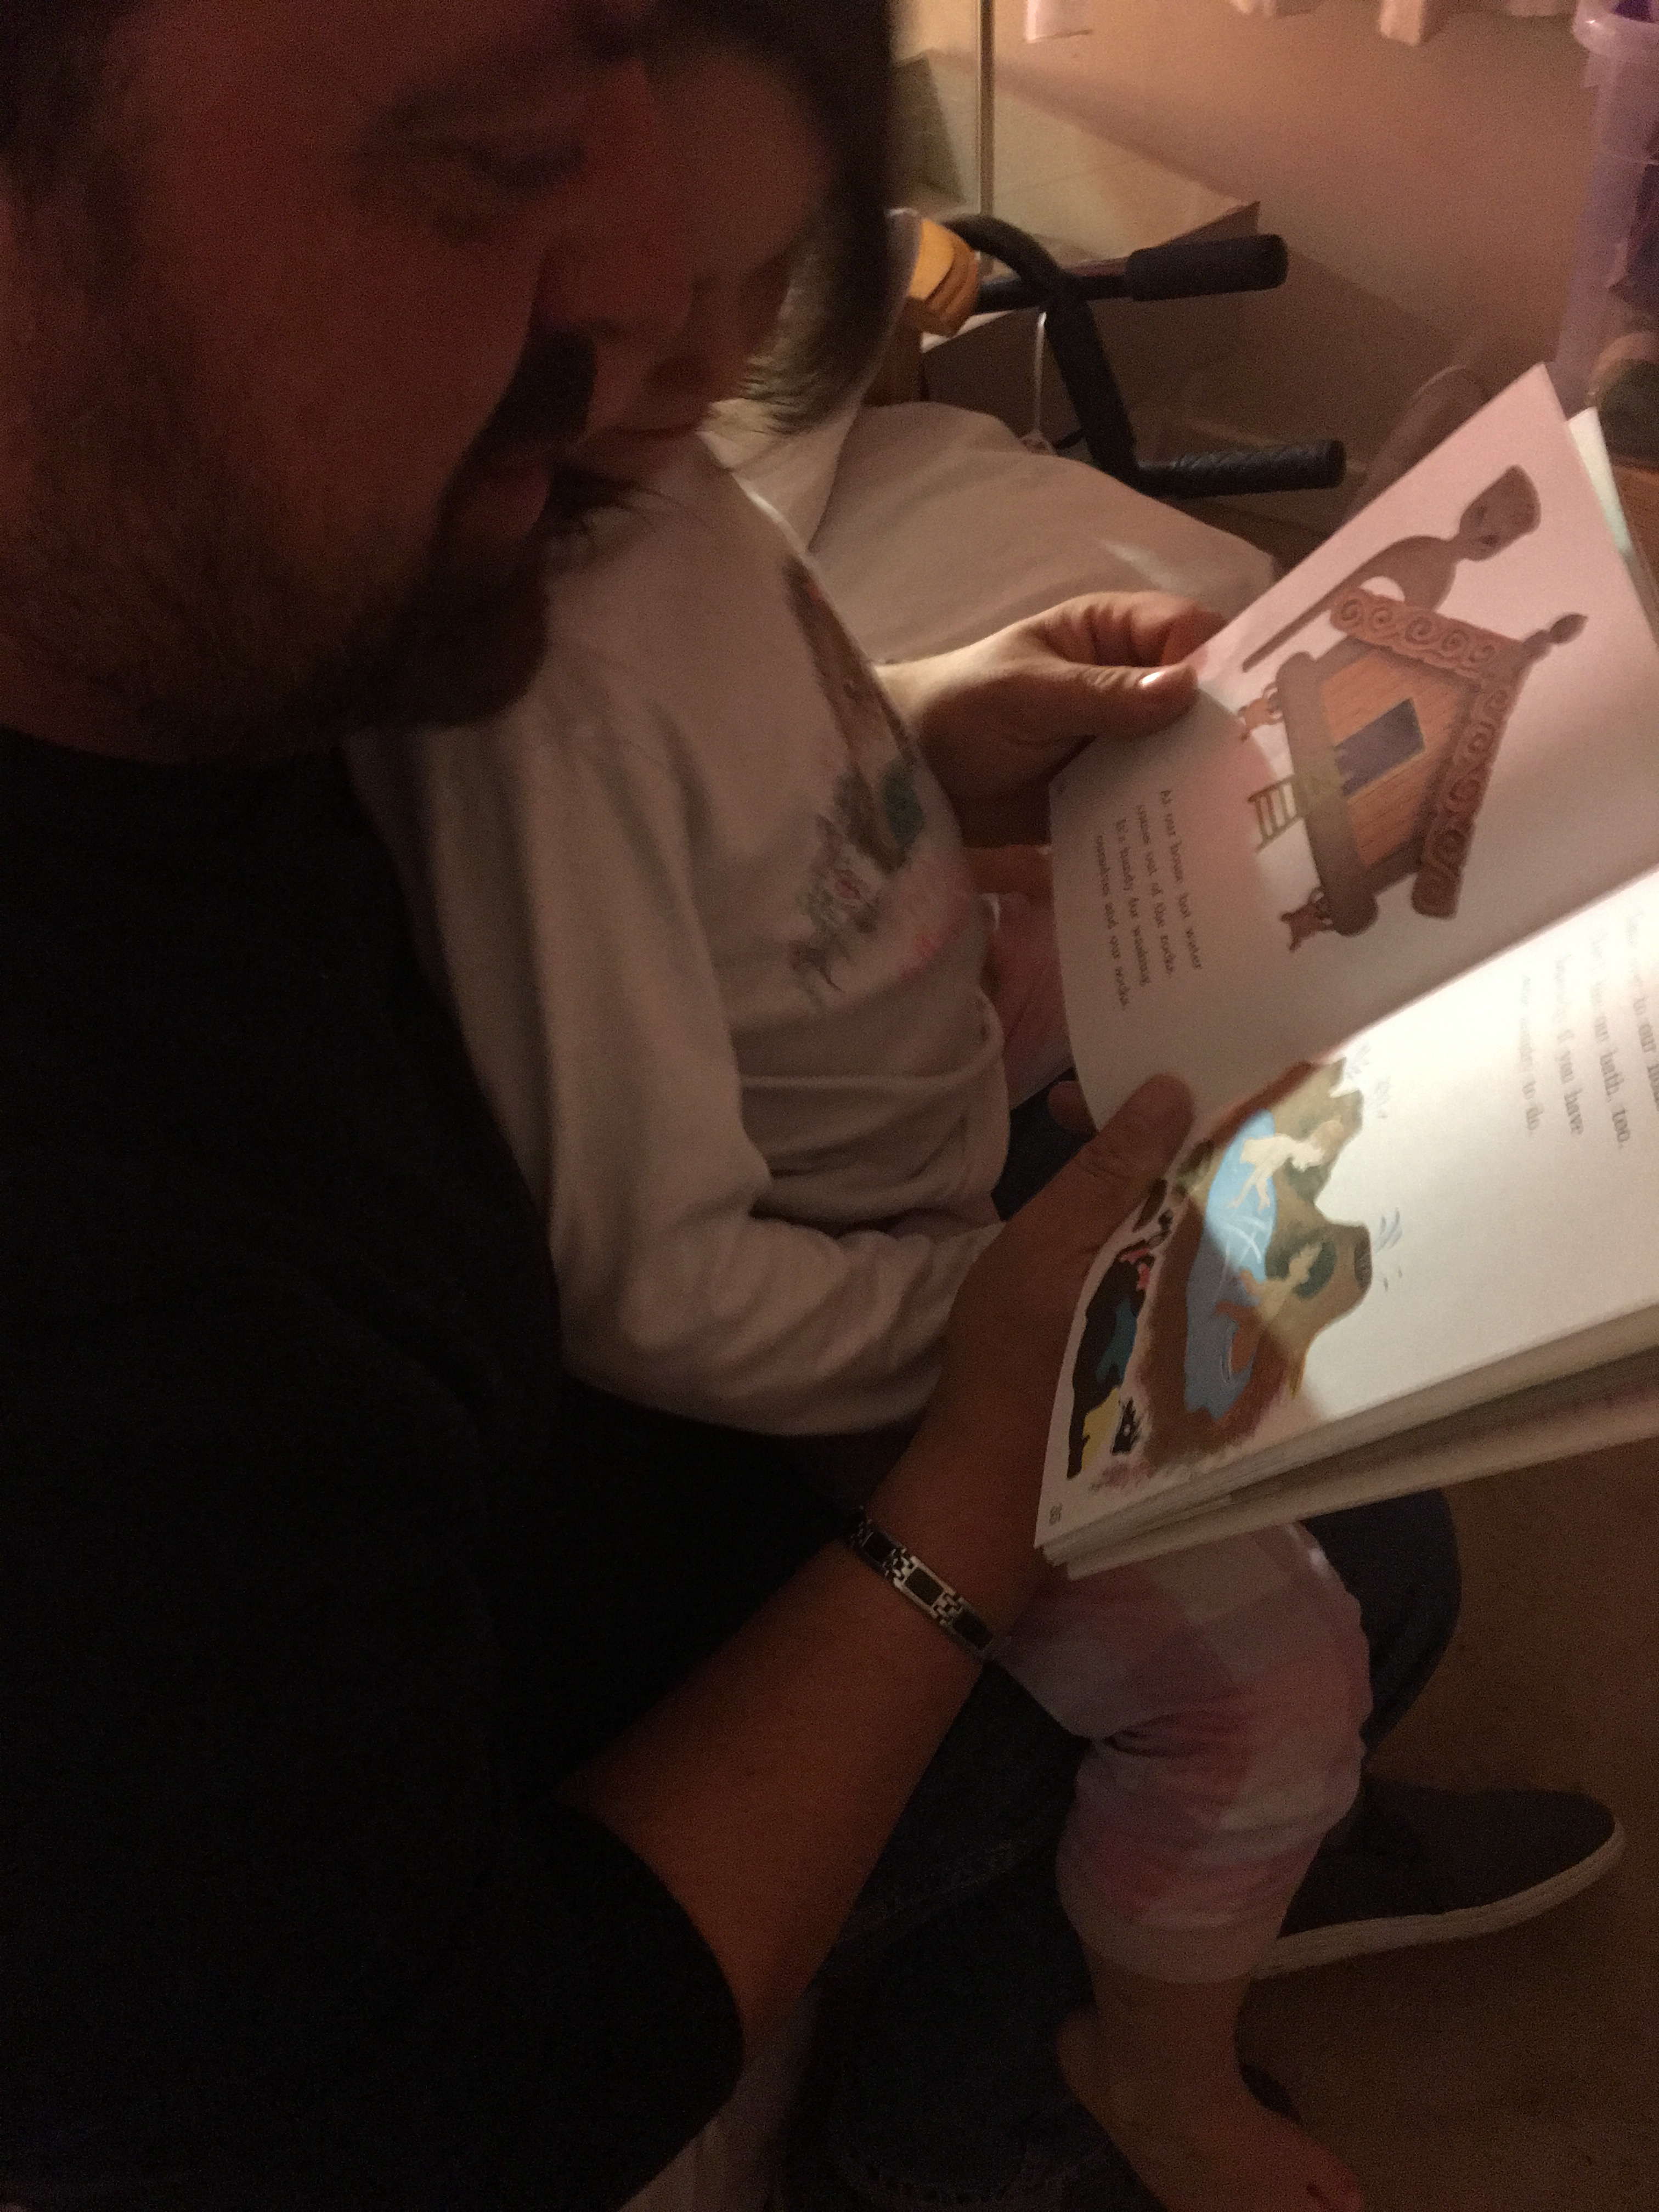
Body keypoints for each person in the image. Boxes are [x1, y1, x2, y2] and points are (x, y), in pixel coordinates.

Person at [0, 8, 1620, 2212]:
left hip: (844, 1170)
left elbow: (683, 742)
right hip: (765, 1387)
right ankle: (1037, 2099)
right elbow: (446, 2101)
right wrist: (989, 1421)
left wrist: (918, 743)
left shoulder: (401, 558)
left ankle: (1167, 1885)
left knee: (1378, 1468)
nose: (642, 321)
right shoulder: (113, 1263)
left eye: (743, 255)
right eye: (483, 161)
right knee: (1299, 1612)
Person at [351, 16, 1393, 2210]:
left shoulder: (644, 486)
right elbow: (645, 1282)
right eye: (643, 291)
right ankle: (1157, 2073)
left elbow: (732, 771)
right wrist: (980, 1351)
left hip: (917, 1066)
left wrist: (927, 714)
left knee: (1296, 971)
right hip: (866, 1294)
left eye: (765, 278)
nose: (705, 355)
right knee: (1275, 1671)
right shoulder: (527, 703)